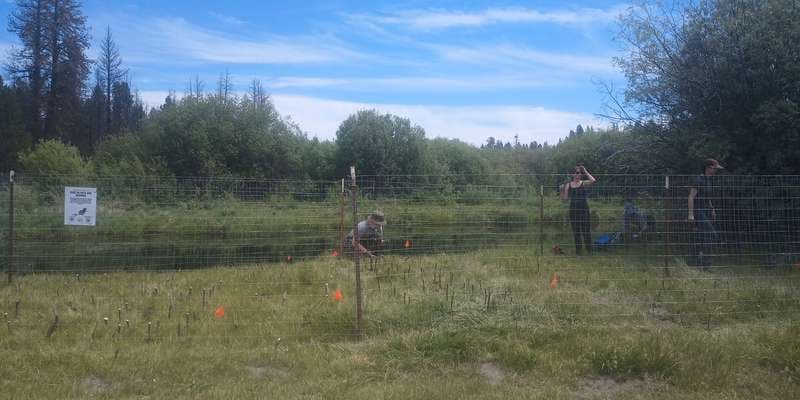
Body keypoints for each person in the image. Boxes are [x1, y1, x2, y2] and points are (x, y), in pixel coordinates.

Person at [687, 158, 724, 269]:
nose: (716, 171)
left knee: (702, 236)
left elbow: (707, 197)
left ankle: (697, 261)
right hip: (698, 211)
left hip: (707, 211)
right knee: (711, 234)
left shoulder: (708, 180)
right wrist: (691, 214)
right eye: (715, 168)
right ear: (708, 168)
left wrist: (712, 209)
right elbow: (691, 197)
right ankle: (705, 263)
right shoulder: (698, 180)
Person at [560, 164, 597, 255]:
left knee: (586, 231)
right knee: (576, 232)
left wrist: (585, 170)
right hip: (573, 212)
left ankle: (589, 250)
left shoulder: (583, 183)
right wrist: (561, 190)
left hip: (584, 211)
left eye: (580, 173)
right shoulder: (568, 185)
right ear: (572, 174)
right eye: (576, 173)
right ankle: (578, 251)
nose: (578, 174)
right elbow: (564, 200)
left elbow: (593, 180)